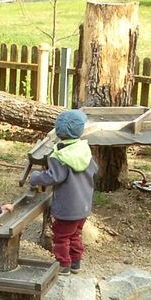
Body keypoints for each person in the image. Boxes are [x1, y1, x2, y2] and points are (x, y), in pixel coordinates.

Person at [29, 109, 99, 275]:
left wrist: (35, 177)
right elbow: (94, 169)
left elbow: (53, 177)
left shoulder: (59, 156)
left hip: (67, 208)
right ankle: (76, 262)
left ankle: (63, 265)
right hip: (83, 206)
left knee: (61, 236)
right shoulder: (84, 150)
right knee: (75, 235)